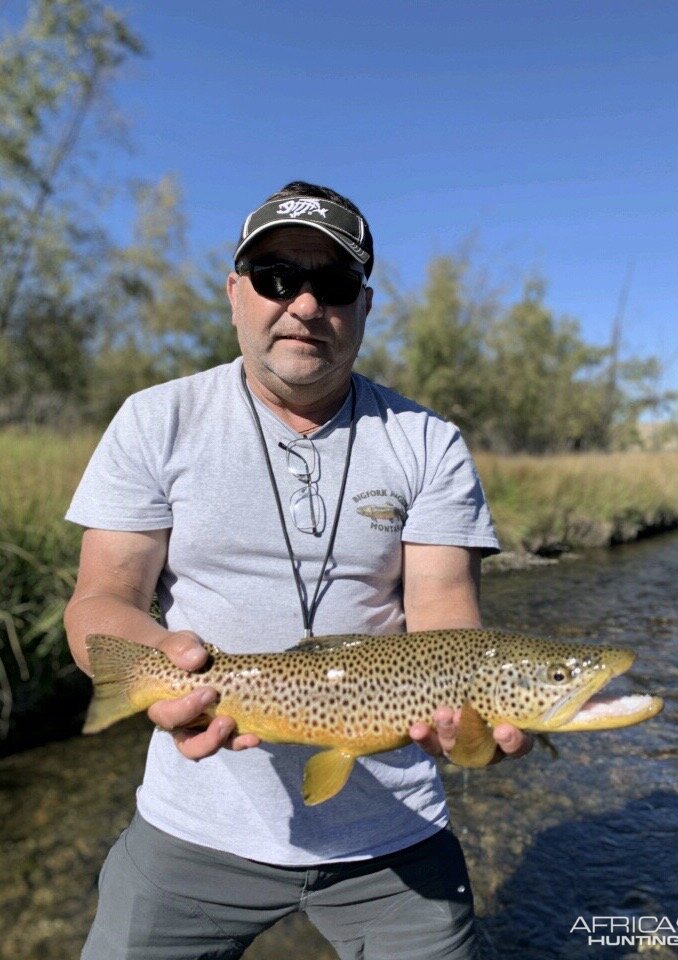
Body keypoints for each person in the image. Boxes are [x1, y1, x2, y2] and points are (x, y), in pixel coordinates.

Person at [64, 181, 531, 960]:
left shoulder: (428, 442)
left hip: (394, 839)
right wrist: (158, 672)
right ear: (234, 293)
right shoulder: (156, 419)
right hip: (193, 826)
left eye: (333, 282)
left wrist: (470, 720)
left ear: (365, 305)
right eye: (278, 277)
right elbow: (103, 598)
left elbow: (446, 615)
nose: (306, 305)